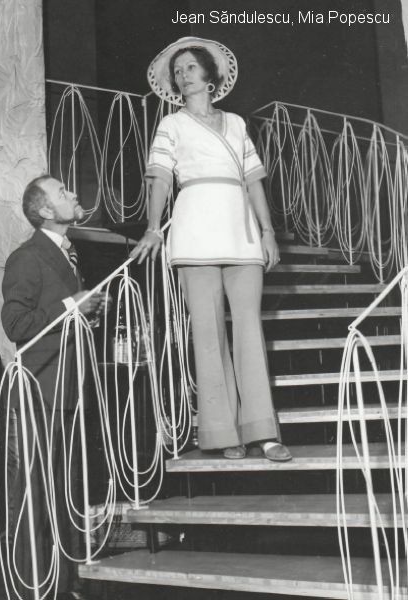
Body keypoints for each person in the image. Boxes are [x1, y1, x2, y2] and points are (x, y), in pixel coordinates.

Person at [131, 37, 291, 462]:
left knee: (249, 330)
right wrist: (153, 227)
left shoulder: (236, 123)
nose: (182, 75)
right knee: (207, 334)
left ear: (209, 76)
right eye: (177, 71)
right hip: (194, 234)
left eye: (189, 67)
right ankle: (222, 433)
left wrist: (268, 231)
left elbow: (253, 180)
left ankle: (263, 432)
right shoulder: (171, 125)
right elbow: (160, 178)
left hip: (241, 233)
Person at [1, 175, 105, 599]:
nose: (74, 194)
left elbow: (56, 319)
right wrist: (70, 305)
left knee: (65, 493)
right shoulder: (27, 257)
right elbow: (15, 324)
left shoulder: (69, 254)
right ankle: (34, 590)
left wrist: (87, 313)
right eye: (62, 192)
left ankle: (65, 586)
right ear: (45, 211)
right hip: (41, 394)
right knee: (36, 497)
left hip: (68, 393)